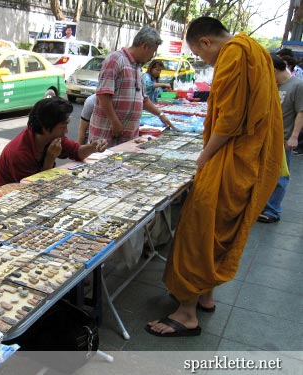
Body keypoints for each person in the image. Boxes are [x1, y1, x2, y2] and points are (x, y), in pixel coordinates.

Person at [146, 17, 283, 337]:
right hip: (245, 162)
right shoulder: (256, 50)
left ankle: (186, 313)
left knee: (198, 230)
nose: (204, 61)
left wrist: (203, 157)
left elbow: (232, 119)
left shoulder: (235, 54)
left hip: (228, 160)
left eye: (200, 53)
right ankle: (205, 296)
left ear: (206, 42)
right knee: (219, 231)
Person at [0, 97, 107, 188]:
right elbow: (33, 189)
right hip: (4, 196)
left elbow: (76, 152)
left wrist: (93, 147)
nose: (66, 131)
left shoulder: (53, 137)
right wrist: (49, 159)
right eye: (63, 126)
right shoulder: (19, 153)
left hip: (31, 190)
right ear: (46, 128)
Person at [88, 26, 174, 148]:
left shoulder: (138, 67)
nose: (152, 57)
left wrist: (160, 115)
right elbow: (103, 95)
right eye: (152, 52)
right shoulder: (115, 60)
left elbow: (143, 99)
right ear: (144, 46)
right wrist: (114, 121)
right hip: (107, 136)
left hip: (127, 138)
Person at [257, 55, 303, 223]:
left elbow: (301, 112)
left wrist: (294, 137)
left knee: (280, 175)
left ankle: (273, 210)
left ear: (274, 70)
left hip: (284, 139)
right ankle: (263, 205)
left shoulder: (297, 85)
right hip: (268, 138)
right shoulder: (276, 85)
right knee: (266, 173)